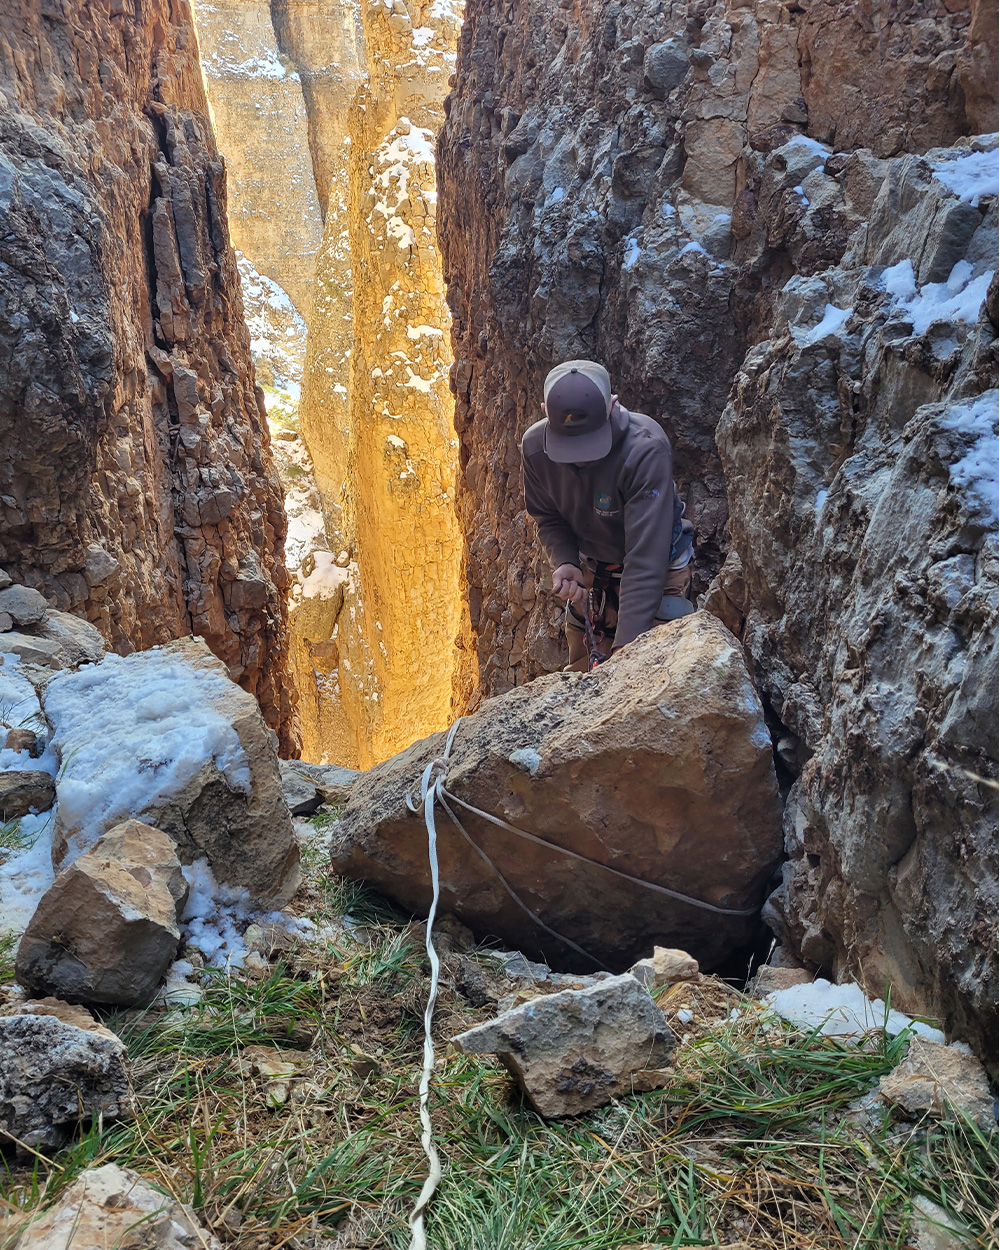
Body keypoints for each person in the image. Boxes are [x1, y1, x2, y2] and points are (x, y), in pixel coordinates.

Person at [521, 359, 694, 672]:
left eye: (590, 445)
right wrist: (566, 561)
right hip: (595, 566)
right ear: (545, 411)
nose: (582, 460)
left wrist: (624, 659)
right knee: (584, 664)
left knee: (652, 666)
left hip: (655, 564)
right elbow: (547, 515)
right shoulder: (535, 449)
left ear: (614, 404)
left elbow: (645, 560)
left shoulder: (644, 450)